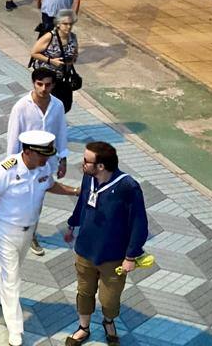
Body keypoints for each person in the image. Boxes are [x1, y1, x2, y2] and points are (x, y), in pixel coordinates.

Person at [0, 130, 80, 346]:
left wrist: (74, 191)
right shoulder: (7, 169)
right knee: (13, 278)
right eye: (43, 154)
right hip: (6, 230)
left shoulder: (42, 167)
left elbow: (50, 185)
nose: (47, 159)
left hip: (29, 230)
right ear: (27, 151)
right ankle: (15, 330)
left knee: (10, 268)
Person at [63, 142, 148, 346]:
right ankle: (83, 327)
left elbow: (139, 223)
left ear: (100, 166)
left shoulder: (128, 187)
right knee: (84, 292)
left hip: (114, 257)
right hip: (85, 250)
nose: (82, 164)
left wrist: (131, 256)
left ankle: (108, 321)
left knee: (110, 299)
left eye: (86, 161)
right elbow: (83, 201)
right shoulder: (89, 178)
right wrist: (73, 224)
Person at [6, 66, 70, 257]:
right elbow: (13, 136)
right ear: (33, 84)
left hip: (46, 163)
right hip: (23, 163)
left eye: (48, 85)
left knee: (38, 199)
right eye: (39, 84)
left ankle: (31, 233)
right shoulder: (21, 106)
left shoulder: (57, 106)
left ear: (53, 85)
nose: (43, 88)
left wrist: (63, 159)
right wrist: (10, 165)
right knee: (20, 198)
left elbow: (61, 132)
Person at [31, 9, 80, 112]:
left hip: (62, 78)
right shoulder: (50, 36)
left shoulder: (73, 37)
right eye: (65, 24)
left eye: (71, 24)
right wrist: (51, 61)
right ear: (58, 24)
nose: (68, 26)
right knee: (46, 104)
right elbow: (34, 53)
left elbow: (75, 53)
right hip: (47, 77)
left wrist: (71, 60)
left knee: (63, 105)